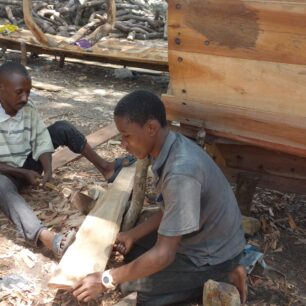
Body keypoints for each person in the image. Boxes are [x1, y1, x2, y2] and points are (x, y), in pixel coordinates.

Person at [72, 90, 247, 305]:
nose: (122, 144)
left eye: (126, 135)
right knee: (131, 253)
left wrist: (106, 279)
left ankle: (225, 275)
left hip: (212, 255)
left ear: (151, 128)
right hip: (199, 237)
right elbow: (170, 210)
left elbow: (164, 254)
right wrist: (133, 234)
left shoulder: (181, 172)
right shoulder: (169, 146)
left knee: (133, 288)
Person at [0, 62, 135, 258]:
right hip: (5, 174)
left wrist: (47, 169)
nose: (25, 97)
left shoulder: (27, 107)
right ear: (1, 88)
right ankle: (46, 237)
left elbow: (41, 138)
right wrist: (23, 173)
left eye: (28, 92)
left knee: (62, 128)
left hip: (26, 164)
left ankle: (106, 168)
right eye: (19, 92)